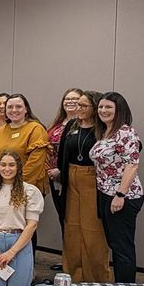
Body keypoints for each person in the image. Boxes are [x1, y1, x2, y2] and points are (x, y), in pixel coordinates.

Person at [58, 91, 112, 283]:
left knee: (93, 232)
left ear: (94, 108)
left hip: (93, 180)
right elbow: (62, 152)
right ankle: (72, 276)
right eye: (77, 105)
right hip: (71, 179)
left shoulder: (104, 129)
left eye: (83, 106)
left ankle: (96, 279)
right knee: (72, 229)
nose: (78, 109)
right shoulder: (72, 125)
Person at [90, 92, 144, 283]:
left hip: (123, 196)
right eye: (101, 107)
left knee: (122, 248)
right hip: (106, 194)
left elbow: (132, 164)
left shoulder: (126, 132)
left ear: (119, 110)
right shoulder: (105, 131)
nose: (103, 111)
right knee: (115, 244)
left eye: (108, 107)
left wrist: (120, 194)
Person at [0, 151, 44, 286]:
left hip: (19, 244)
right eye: (3, 165)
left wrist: (12, 252)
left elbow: (32, 225)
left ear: (18, 168)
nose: (7, 169)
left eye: (11, 165)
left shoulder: (30, 191)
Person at [0, 94, 50, 194]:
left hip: (28, 188)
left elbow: (36, 164)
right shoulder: (1, 131)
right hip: (2, 188)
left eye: (18, 106)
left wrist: (16, 186)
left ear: (26, 109)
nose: (14, 110)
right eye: (9, 107)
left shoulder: (36, 129)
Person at [46, 88, 83, 232]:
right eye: (67, 99)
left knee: (74, 218)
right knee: (63, 216)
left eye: (75, 99)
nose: (70, 102)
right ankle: (68, 251)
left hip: (71, 177)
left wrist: (61, 170)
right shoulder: (56, 124)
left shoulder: (83, 124)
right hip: (53, 177)